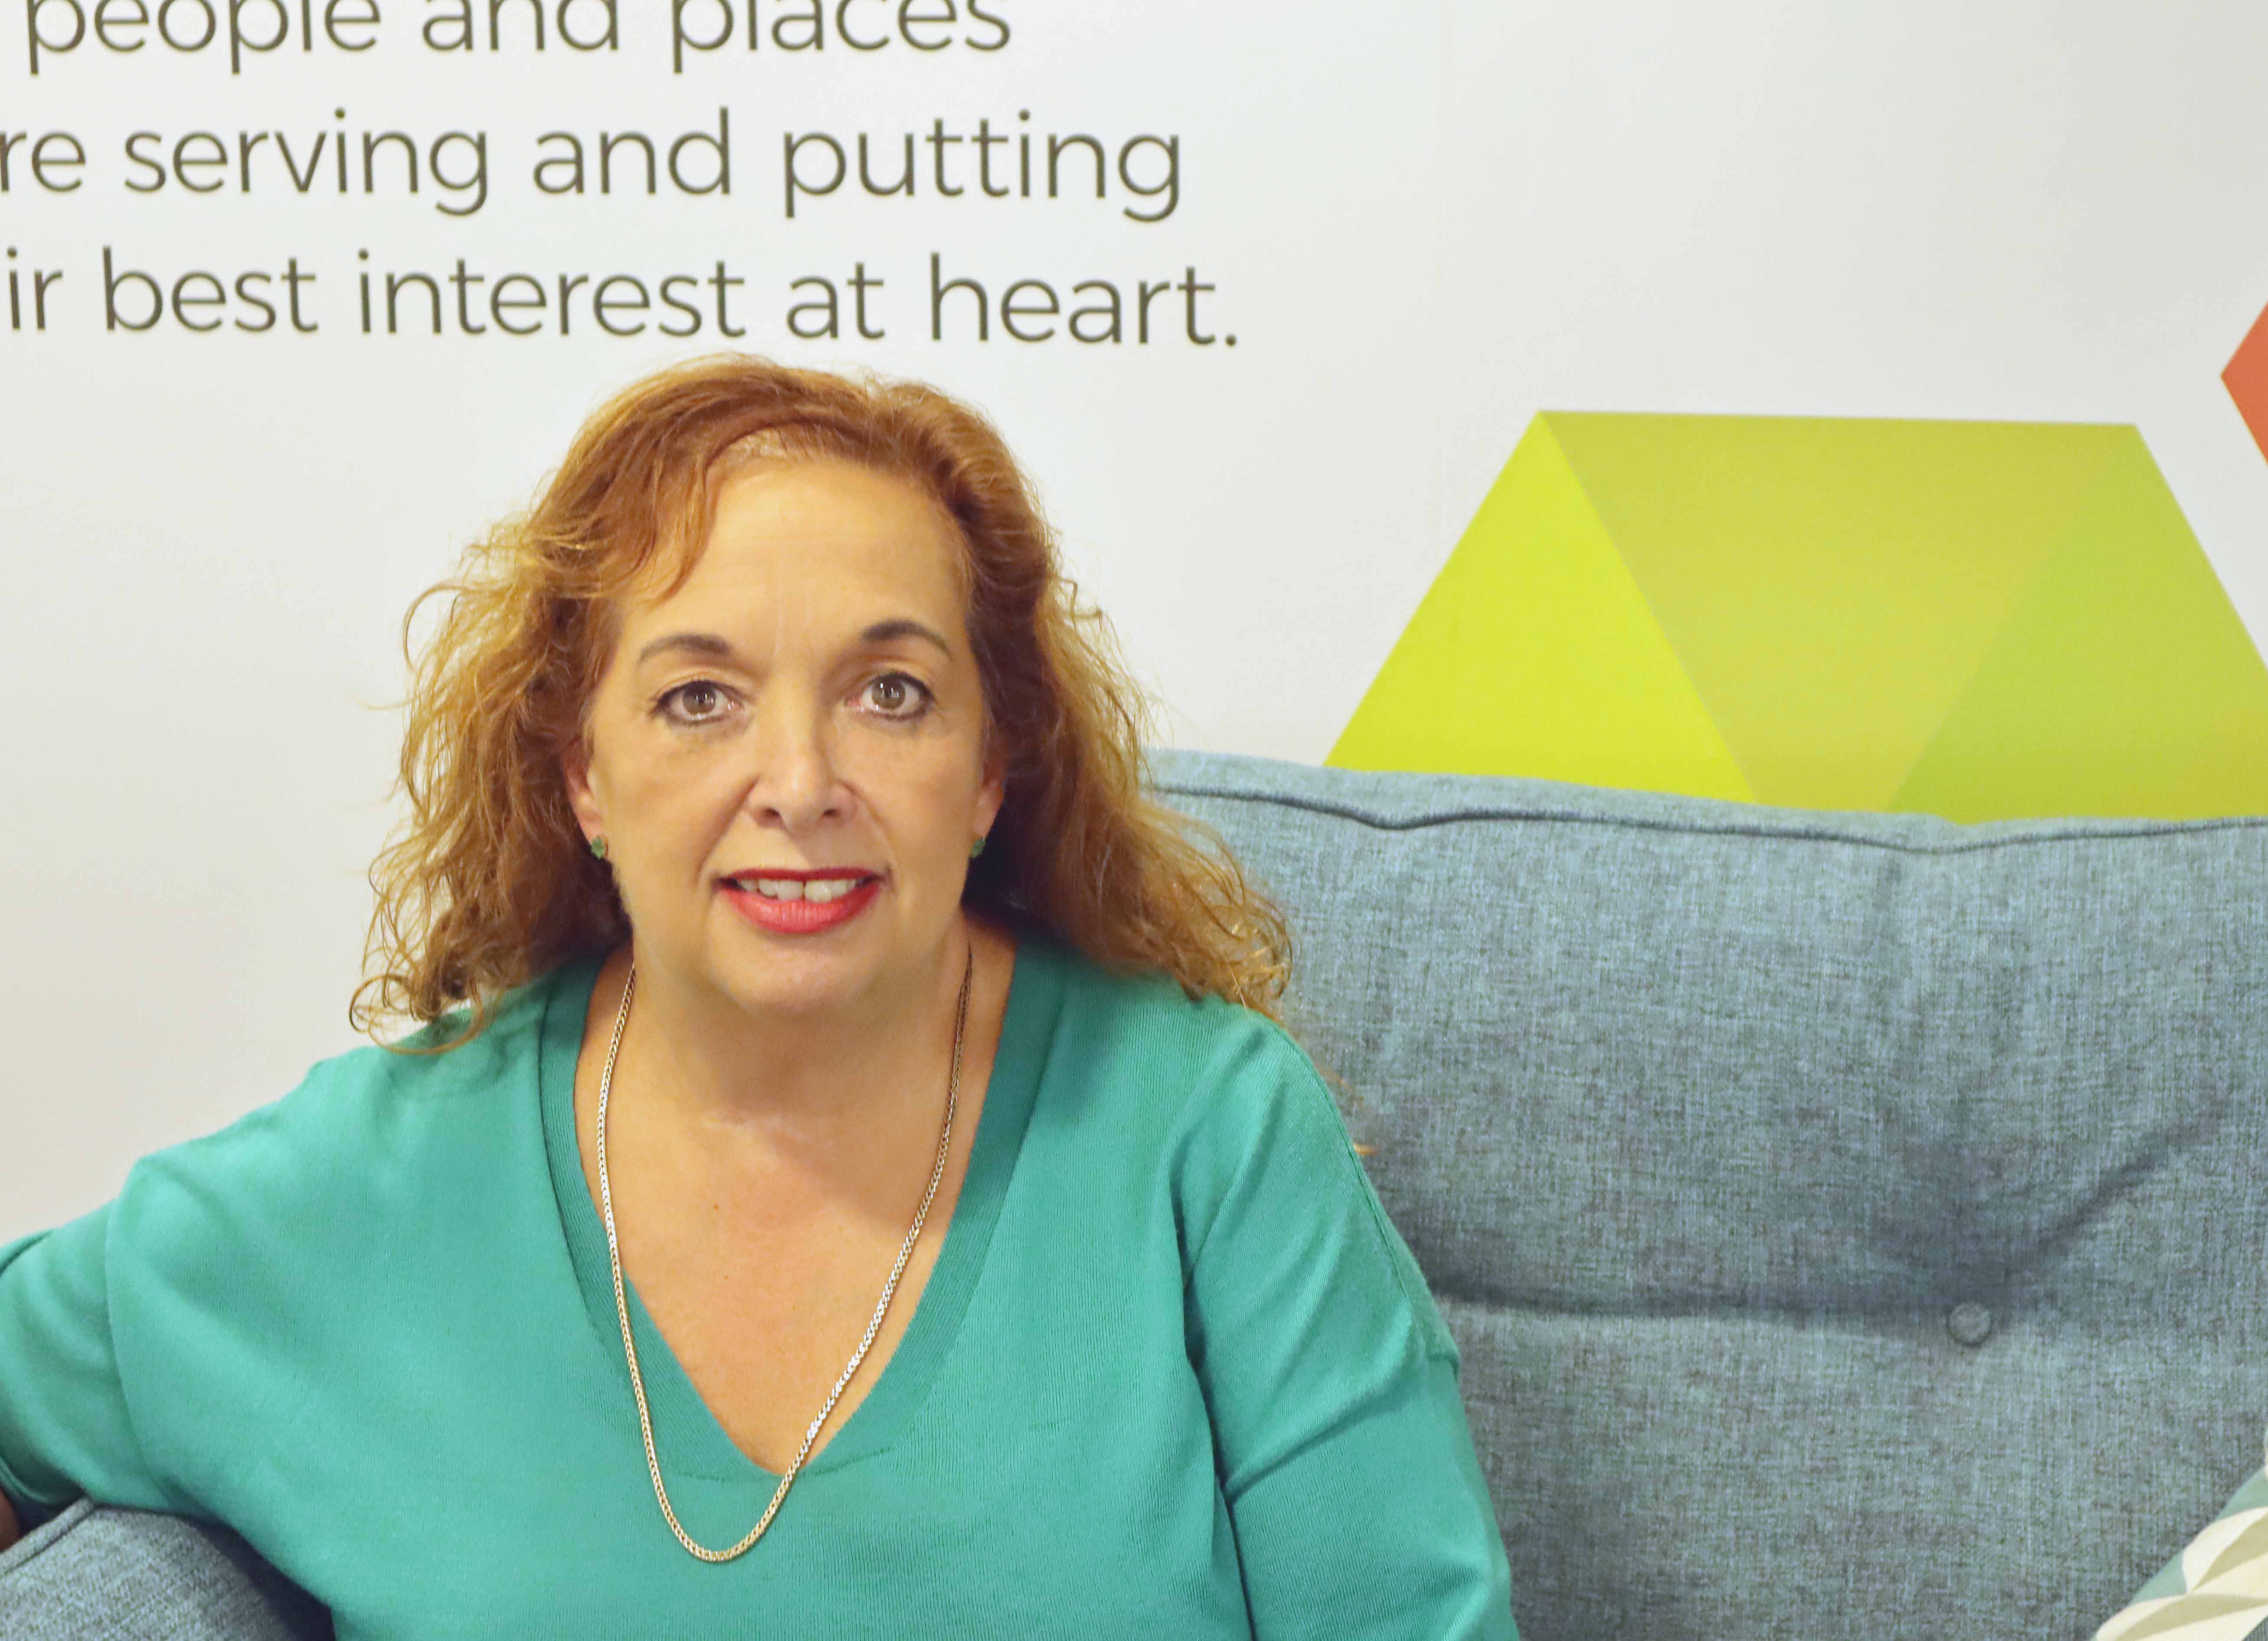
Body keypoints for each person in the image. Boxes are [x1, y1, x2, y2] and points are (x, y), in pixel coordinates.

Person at [0, 356, 1517, 1637]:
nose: (800, 784)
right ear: (584, 775)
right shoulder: (361, 1189)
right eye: (698, 696)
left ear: (990, 771)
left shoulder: (1210, 1128)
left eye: (892, 692)